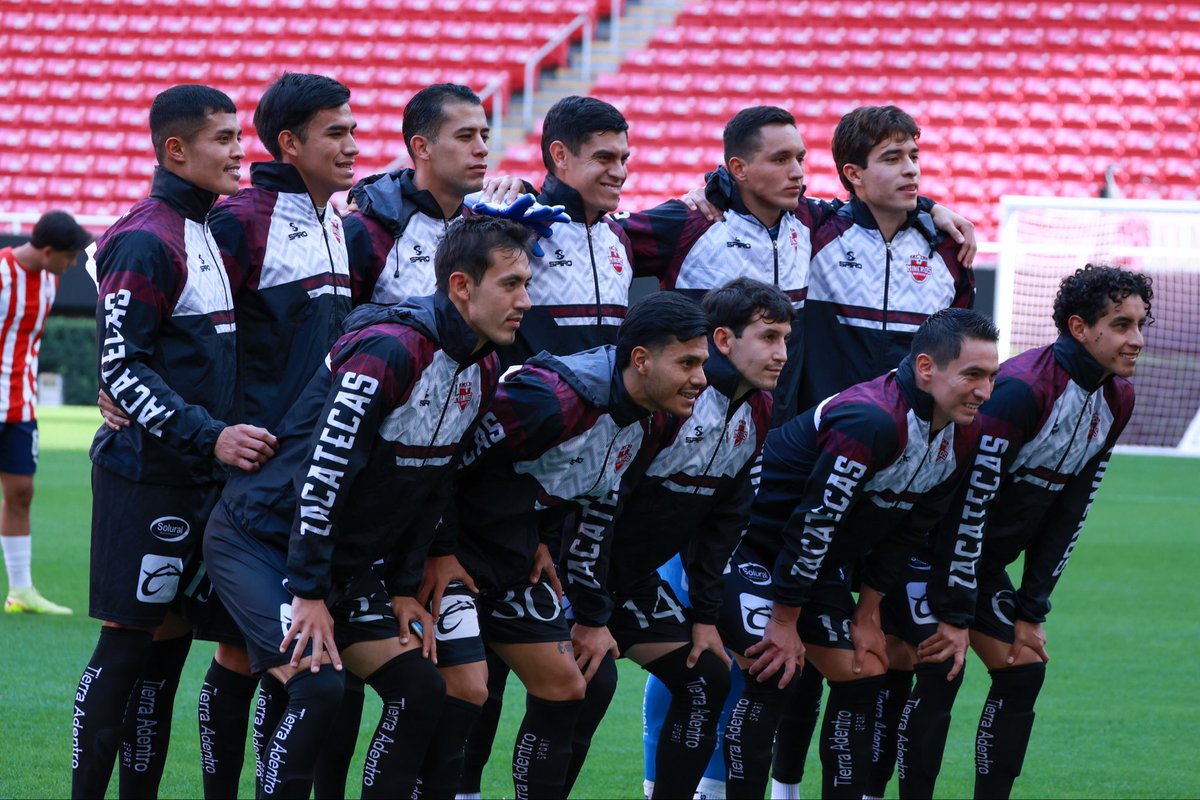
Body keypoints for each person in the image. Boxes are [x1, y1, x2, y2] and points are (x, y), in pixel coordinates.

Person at [202, 215, 535, 799]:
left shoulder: (479, 365)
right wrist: (308, 591)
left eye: (526, 283)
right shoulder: (389, 349)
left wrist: (405, 585)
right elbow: (323, 474)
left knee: (421, 691)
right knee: (318, 688)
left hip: (340, 563)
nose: (525, 301)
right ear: (461, 286)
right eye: (510, 284)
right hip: (259, 542)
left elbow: (431, 483)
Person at [71, 84, 278, 800]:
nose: (237, 152)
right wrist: (211, 436)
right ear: (176, 150)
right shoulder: (145, 236)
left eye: (238, 137)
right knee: (126, 648)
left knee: (162, 660)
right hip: (145, 478)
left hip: (201, 481)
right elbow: (120, 370)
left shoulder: (206, 229)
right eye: (223, 140)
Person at [888, 264, 1150, 799]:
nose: (1137, 340)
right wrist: (955, 615)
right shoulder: (1022, 389)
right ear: (1080, 328)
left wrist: (1032, 610)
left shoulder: (1116, 399)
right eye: (1122, 325)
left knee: (1024, 668)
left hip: (979, 564)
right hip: (921, 551)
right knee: (942, 665)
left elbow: (1070, 510)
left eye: (1140, 324)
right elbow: (968, 507)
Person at [717, 308, 1000, 799]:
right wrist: (785, 622)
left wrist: (868, 612)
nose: (985, 392)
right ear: (927, 369)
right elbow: (813, 524)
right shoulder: (871, 420)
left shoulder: (962, 430)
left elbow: (907, 529)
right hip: (747, 548)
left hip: (815, 560)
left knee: (863, 672)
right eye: (973, 375)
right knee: (773, 669)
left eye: (992, 376)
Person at [443, 290, 710, 799]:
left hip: (513, 553)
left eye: (702, 363)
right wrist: (438, 551)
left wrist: (590, 612)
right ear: (641, 359)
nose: (701, 378)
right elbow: (445, 465)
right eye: (688, 362)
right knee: (461, 693)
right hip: (448, 551)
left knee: (576, 684)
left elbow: (596, 506)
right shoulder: (550, 400)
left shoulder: (657, 416)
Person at [563, 278, 791, 798]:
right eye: (769, 337)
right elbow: (600, 506)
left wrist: (706, 618)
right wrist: (589, 614)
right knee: (587, 684)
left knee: (706, 674)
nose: (781, 354)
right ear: (723, 342)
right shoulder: (672, 398)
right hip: (571, 571)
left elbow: (723, 525)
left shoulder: (757, 409)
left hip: (629, 578)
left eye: (786, 339)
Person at [1, 210, 92, 615]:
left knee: (21, 492)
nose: (72, 265)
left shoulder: (50, 283)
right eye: (69, 257)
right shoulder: (2, 274)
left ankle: (20, 590)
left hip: (20, 405)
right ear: (49, 250)